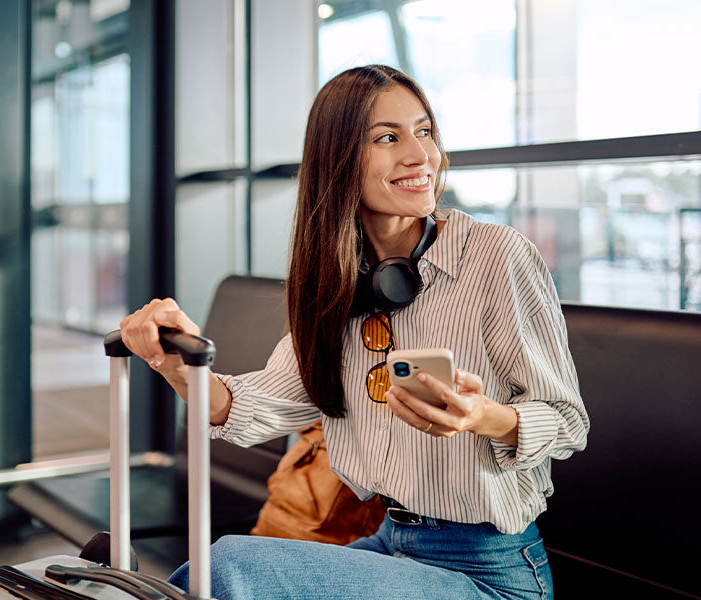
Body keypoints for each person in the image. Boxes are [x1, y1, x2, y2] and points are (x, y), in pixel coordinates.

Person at [119, 64, 589, 600]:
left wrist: (482, 416)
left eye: (424, 131)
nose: (420, 155)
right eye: (388, 138)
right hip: (392, 545)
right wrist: (177, 366)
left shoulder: (496, 257)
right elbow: (258, 406)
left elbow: (568, 422)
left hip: (490, 573)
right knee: (198, 580)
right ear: (339, 161)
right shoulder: (341, 280)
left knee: (229, 567)